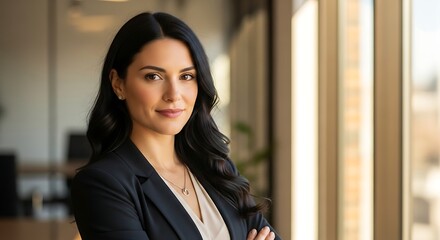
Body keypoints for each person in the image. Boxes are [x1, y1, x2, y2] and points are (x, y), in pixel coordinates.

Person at [71, 12, 281, 240]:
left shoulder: (218, 168)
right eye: (153, 76)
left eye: (186, 76)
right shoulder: (104, 184)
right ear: (118, 84)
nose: (174, 94)